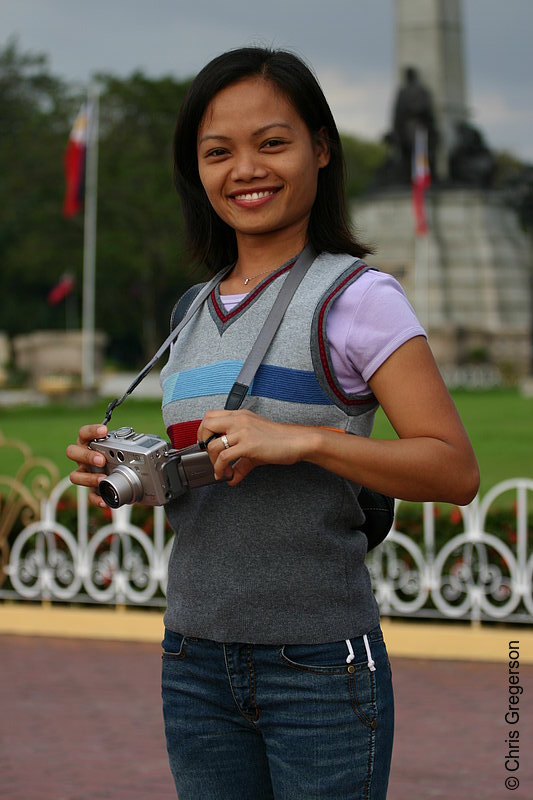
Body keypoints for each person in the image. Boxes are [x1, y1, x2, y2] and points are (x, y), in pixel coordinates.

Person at [66, 47, 479, 800]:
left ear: (320, 148)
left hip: (317, 663)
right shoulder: (190, 310)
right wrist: (135, 474)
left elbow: (454, 470)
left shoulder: (357, 296)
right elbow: (213, 489)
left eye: (272, 143)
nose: (245, 169)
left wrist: (309, 441)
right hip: (193, 656)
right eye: (217, 152)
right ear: (196, 171)